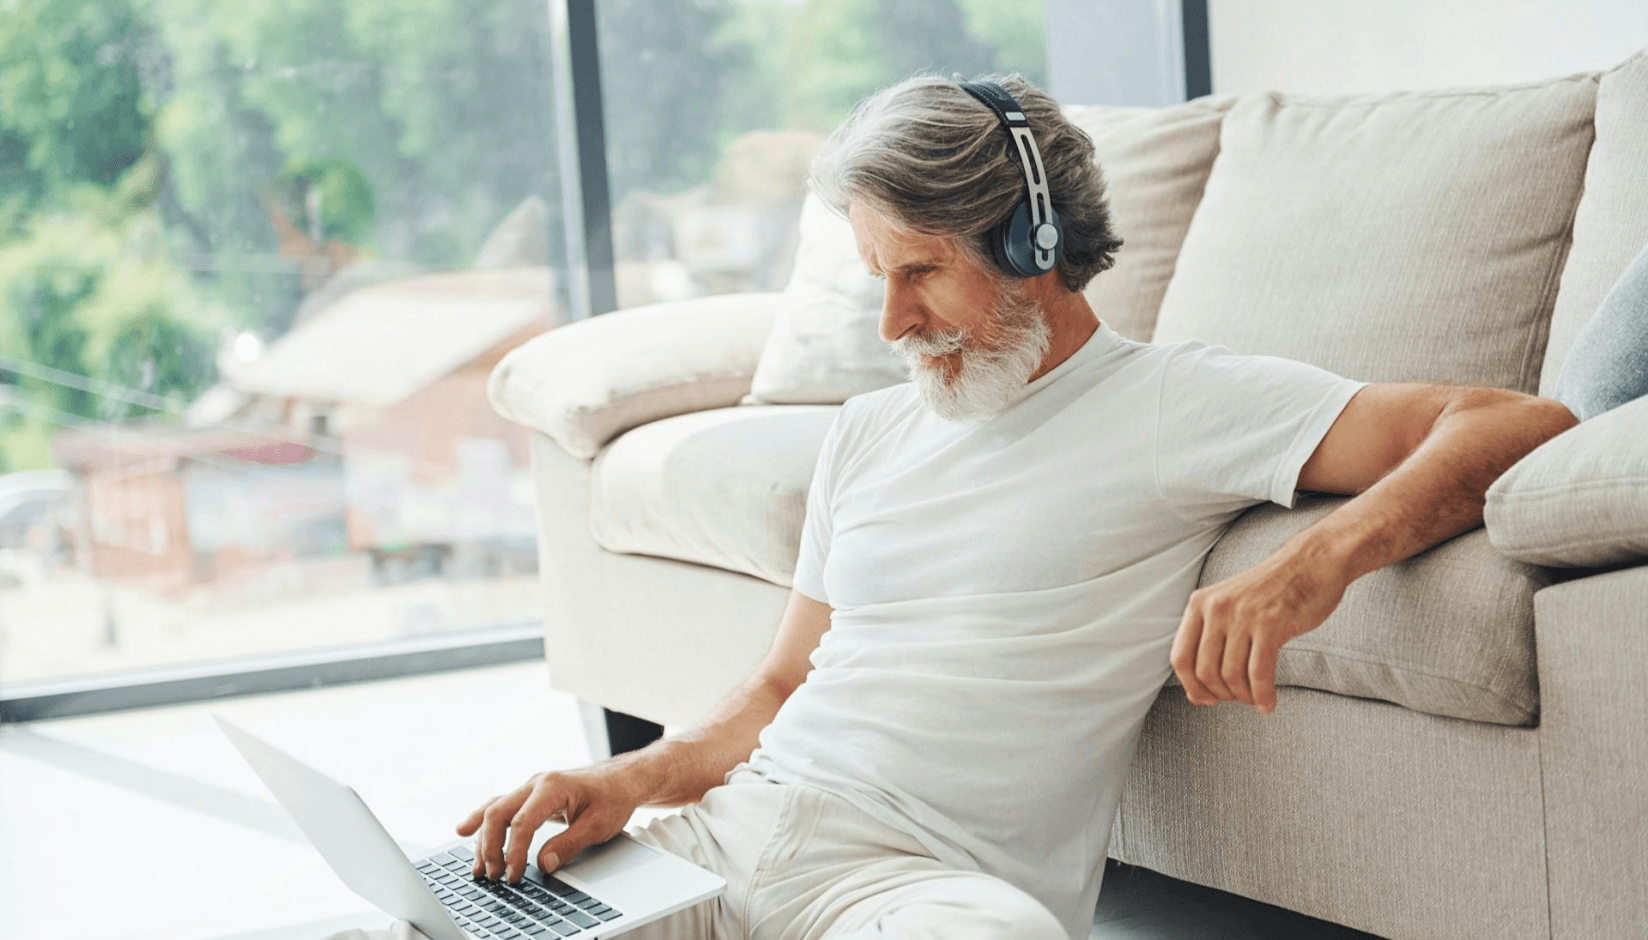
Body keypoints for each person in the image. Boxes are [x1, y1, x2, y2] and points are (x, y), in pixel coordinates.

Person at [450, 74, 1576, 940]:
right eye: (875, 277)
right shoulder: (868, 430)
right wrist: (625, 779)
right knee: (430, 909)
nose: (891, 325)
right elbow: (783, 683)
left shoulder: (1178, 403)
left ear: (1033, 245)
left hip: (913, 889)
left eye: (922, 273)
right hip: (721, 838)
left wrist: (1317, 560)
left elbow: (1510, 422)